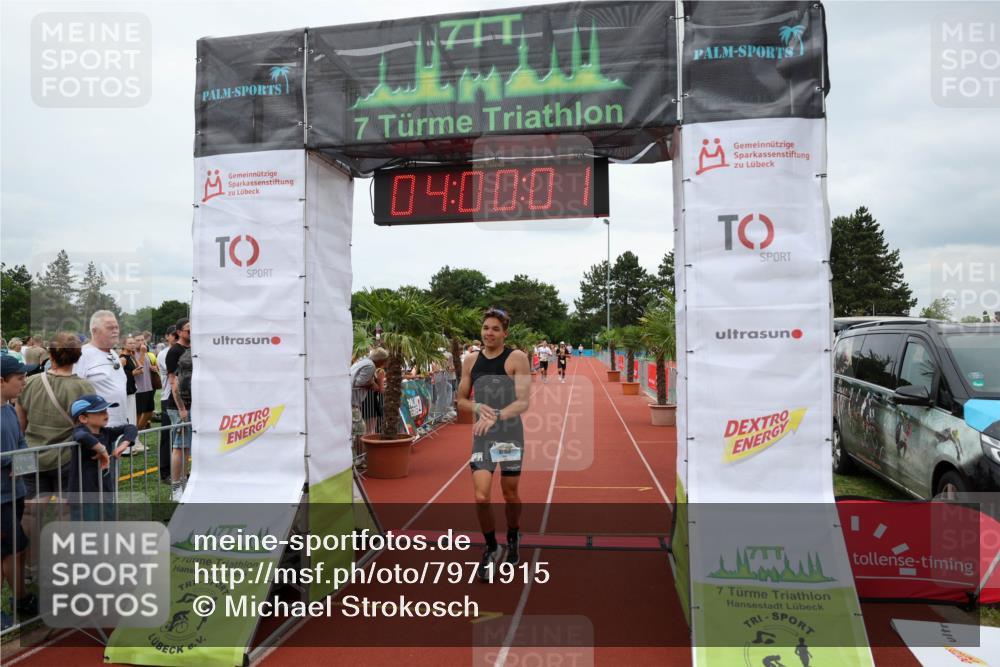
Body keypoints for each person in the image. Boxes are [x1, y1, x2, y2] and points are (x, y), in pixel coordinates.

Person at [456, 308, 531, 581]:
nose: (489, 333)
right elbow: (461, 400)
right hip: (483, 436)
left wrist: (496, 416)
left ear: (505, 333)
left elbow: (523, 402)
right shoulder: (470, 360)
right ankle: (491, 546)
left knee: (509, 493)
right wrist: (477, 406)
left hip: (509, 434)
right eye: (486, 327)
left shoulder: (516, 358)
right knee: (481, 496)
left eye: (495, 329)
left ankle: (513, 533)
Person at [15, 333, 94, 576]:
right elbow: (90, 428)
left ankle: (30, 567)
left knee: (29, 513)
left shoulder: (30, 382)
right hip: (68, 457)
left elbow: (20, 425)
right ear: (77, 356)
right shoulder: (84, 388)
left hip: (30, 455)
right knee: (65, 513)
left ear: (50, 354)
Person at [1, 354, 39, 630]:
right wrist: (12, 460)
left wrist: (22, 460)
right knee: (6, 551)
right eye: (19, 378)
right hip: (1, 496)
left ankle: (21, 598)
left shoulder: (9, 408)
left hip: (14, 491)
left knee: (17, 546)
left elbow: (21, 441)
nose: (24, 382)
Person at [69, 394, 136, 521]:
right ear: (83, 418)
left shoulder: (106, 432)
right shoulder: (79, 431)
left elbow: (130, 427)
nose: (105, 414)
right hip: (84, 493)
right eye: (99, 412)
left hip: (105, 490)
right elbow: (82, 436)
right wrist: (102, 450)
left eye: (105, 410)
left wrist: (123, 444)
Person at [73, 311, 129, 430]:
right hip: (97, 430)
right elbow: (74, 393)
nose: (115, 331)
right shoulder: (82, 355)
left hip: (119, 426)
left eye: (116, 327)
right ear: (94, 331)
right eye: (110, 328)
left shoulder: (113, 354)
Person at [165, 318, 192, 501]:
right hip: (178, 406)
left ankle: (184, 482)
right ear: (180, 332)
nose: (192, 333)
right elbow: (173, 382)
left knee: (186, 447)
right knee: (179, 446)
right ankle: (175, 488)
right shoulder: (175, 351)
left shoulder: (193, 349)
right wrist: (181, 408)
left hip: (191, 405)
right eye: (188, 330)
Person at [351, 348, 389, 438]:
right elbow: (359, 382)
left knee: (359, 430)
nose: (384, 363)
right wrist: (373, 385)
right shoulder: (370, 365)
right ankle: (362, 447)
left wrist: (372, 383)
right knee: (360, 431)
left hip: (352, 400)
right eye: (384, 361)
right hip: (352, 401)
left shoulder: (364, 361)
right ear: (380, 360)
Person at [156, 326, 176, 483]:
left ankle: (179, 470)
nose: (176, 337)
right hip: (168, 398)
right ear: (167, 336)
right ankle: (165, 472)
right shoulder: (164, 354)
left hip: (182, 397)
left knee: (180, 435)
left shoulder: (183, 351)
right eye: (173, 335)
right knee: (167, 436)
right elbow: (175, 373)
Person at [131, 335, 155, 431]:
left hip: (148, 387)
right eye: (138, 340)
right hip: (138, 389)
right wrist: (142, 353)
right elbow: (139, 368)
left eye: (142, 340)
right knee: (138, 413)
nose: (141, 342)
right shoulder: (133, 354)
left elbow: (147, 367)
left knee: (149, 412)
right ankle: (135, 434)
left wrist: (153, 368)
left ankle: (137, 431)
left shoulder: (146, 353)